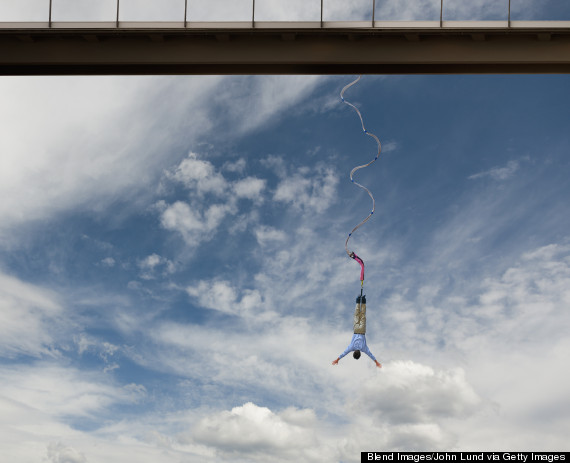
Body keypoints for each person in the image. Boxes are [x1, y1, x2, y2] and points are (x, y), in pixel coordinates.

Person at [332, 295, 382, 368]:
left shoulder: (364, 349)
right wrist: (337, 359)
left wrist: (376, 362)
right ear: (354, 352)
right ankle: (358, 300)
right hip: (356, 330)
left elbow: (370, 355)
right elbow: (343, 353)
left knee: (362, 315)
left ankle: (363, 300)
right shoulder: (351, 348)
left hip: (362, 330)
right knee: (357, 315)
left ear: (360, 353)